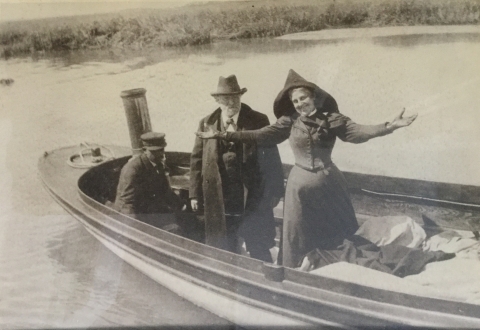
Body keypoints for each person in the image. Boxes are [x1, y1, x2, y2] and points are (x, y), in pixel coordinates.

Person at [196, 69, 417, 268]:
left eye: (303, 98)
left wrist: (388, 127)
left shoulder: (332, 119)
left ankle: (331, 264)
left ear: (314, 98)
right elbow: (260, 135)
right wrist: (222, 134)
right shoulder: (289, 122)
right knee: (296, 236)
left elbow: (358, 132)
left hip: (330, 185)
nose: (300, 104)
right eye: (295, 101)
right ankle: (296, 268)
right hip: (299, 189)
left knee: (340, 237)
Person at [189, 74, 284, 262]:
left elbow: (272, 158)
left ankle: (265, 280)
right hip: (220, 194)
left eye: (235, 97)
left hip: (251, 194)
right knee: (225, 241)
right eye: (225, 98)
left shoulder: (257, 120)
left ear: (240, 97)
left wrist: (275, 191)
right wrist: (194, 193)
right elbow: (197, 160)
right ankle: (229, 275)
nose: (231, 102)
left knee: (258, 243)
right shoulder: (206, 123)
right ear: (217, 100)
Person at [114, 132, 185, 227]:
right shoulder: (133, 169)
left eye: (161, 149)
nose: (161, 154)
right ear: (145, 150)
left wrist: (181, 205)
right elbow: (127, 203)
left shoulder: (158, 164)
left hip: (149, 208)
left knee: (184, 220)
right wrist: (133, 227)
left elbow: (164, 190)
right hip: (134, 214)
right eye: (155, 151)